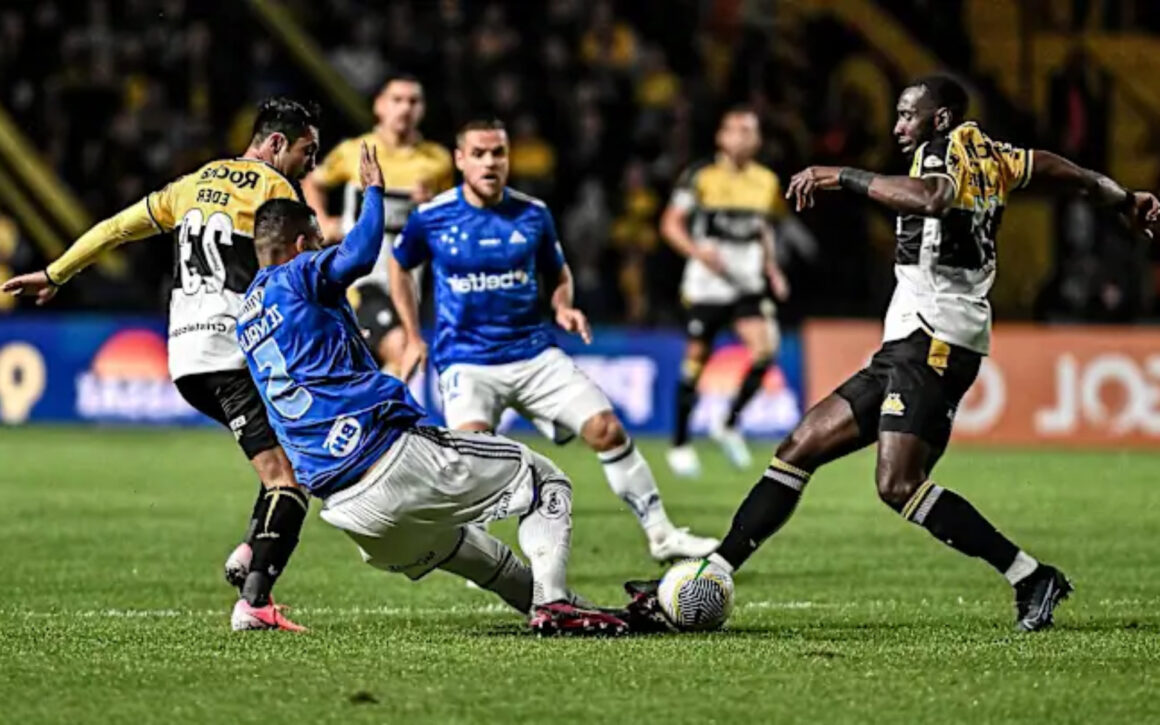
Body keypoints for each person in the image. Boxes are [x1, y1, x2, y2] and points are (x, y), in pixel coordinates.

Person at [697, 75, 1160, 631]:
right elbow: (1059, 168)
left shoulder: (946, 148)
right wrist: (1121, 197)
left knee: (898, 485)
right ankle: (714, 572)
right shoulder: (996, 155)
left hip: (938, 338)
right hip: (910, 339)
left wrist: (839, 175)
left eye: (907, 115)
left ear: (938, 118)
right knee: (800, 445)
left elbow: (934, 198)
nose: (898, 127)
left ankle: (1030, 575)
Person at [240, 142, 626, 635]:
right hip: (386, 458)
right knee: (546, 479)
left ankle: (558, 607)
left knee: (472, 550)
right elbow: (359, 255)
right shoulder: (298, 274)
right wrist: (374, 192)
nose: (323, 244)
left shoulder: (248, 318)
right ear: (297, 245)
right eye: (317, 237)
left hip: (350, 512)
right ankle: (555, 604)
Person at [3, 97, 324, 632]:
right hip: (232, 352)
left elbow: (114, 229)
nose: (308, 165)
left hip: (184, 357)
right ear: (273, 144)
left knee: (291, 451)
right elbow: (297, 263)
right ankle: (254, 603)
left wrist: (56, 273)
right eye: (305, 152)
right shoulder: (274, 190)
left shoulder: (190, 184)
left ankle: (249, 549)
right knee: (290, 480)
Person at [389, 118, 717, 562]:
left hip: (533, 352)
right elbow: (400, 266)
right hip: (467, 361)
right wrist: (411, 334)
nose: (490, 162)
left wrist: (563, 306)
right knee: (474, 465)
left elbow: (557, 271)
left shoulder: (532, 213)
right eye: (480, 154)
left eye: (498, 153)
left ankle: (661, 534)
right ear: (460, 160)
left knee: (608, 429)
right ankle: (482, 556)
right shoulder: (431, 217)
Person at [660, 106, 791, 478]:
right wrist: (697, 252)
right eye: (735, 130)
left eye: (750, 131)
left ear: (758, 139)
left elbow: (762, 227)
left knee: (766, 351)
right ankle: (681, 443)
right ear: (721, 137)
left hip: (746, 282)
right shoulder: (701, 177)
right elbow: (670, 224)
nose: (743, 137)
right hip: (706, 285)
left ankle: (728, 424)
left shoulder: (765, 181)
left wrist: (772, 268)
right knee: (697, 360)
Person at [302, 74, 453, 375]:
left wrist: (432, 201)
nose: (405, 108)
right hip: (362, 280)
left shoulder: (437, 160)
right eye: (397, 100)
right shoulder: (355, 151)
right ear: (380, 107)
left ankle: (372, 418)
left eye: (414, 101)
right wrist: (320, 221)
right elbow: (312, 182)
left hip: (409, 281)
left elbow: (448, 218)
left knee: (389, 365)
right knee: (401, 351)